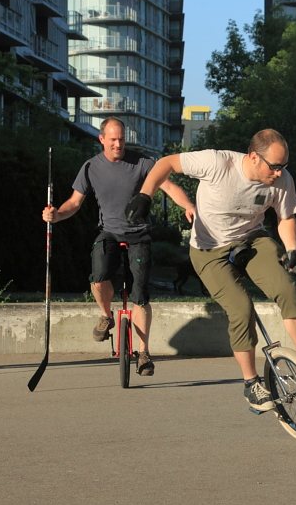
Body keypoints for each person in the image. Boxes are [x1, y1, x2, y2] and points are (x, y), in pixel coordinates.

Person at [124, 128, 296, 411]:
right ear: (253, 157)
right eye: (274, 166)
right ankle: (251, 383)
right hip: (208, 251)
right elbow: (167, 163)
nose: (279, 172)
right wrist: (145, 195)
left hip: (251, 240)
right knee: (241, 308)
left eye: (283, 166)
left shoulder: (282, 179)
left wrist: (292, 248)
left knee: (287, 290)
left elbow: (286, 217)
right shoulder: (217, 163)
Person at [41, 117, 195, 377]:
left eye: (121, 139)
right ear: (102, 139)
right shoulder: (91, 167)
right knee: (98, 277)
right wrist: (56, 215)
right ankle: (106, 316)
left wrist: (188, 205)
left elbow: (169, 186)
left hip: (139, 235)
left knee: (140, 295)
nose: (118, 144)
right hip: (109, 233)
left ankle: (144, 353)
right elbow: (74, 203)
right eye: (112, 140)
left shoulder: (143, 163)